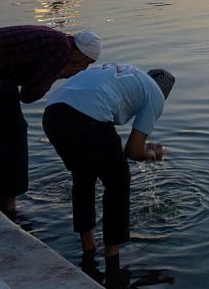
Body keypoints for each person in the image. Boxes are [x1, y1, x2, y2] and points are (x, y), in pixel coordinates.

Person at [0, 25, 100, 219]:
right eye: (85, 63)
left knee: (6, 132)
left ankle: (2, 196)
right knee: (14, 133)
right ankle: (7, 204)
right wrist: (58, 73)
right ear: (80, 52)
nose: (82, 69)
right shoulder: (60, 52)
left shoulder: (57, 41)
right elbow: (28, 96)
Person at [43, 64, 174, 288]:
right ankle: (112, 253)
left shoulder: (127, 74)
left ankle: (88, 245)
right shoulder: (155, 94)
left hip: (53, 115)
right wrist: (152, 153)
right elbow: (132, 151)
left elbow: (117, 144)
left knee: (83, 178)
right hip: (87, 120)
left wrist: (140, 149)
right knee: (118, 181)